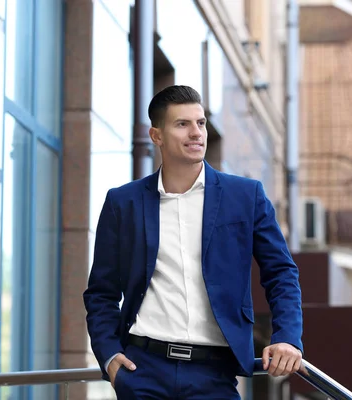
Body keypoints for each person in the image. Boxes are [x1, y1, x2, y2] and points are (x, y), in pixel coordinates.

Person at [83, 85, 303, 399]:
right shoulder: (124, 203)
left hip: (214, 374)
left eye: (200, 123)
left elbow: (281, 273)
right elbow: (101, 292)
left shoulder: (245, 196)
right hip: (142, 371)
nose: (196, 132)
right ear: (156, 136)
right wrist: (109, 355)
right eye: (182, 124)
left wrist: (287, 338)